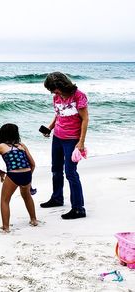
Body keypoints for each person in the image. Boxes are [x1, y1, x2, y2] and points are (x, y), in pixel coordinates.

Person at [39, 72, 89, 219]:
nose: (53, 92)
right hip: (58, 137)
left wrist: (81, 142)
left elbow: (85, 119)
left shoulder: (79, 96)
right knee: (55, 169)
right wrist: (49, 128)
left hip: (72, 139)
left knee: (71, 173)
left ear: (61, 85)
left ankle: (79, 208)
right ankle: (57, 198)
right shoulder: (57, 98)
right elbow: (59, 115)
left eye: (54, 89)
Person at [0, 124, 38, 232]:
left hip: (13, 174)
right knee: (27, 196)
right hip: (27, 173)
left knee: (5, 200)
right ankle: (34, 220)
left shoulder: (0, 146)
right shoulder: (22, 145)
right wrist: (29, 176)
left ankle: (6, 227)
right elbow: (33, 164)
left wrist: (1, 173)